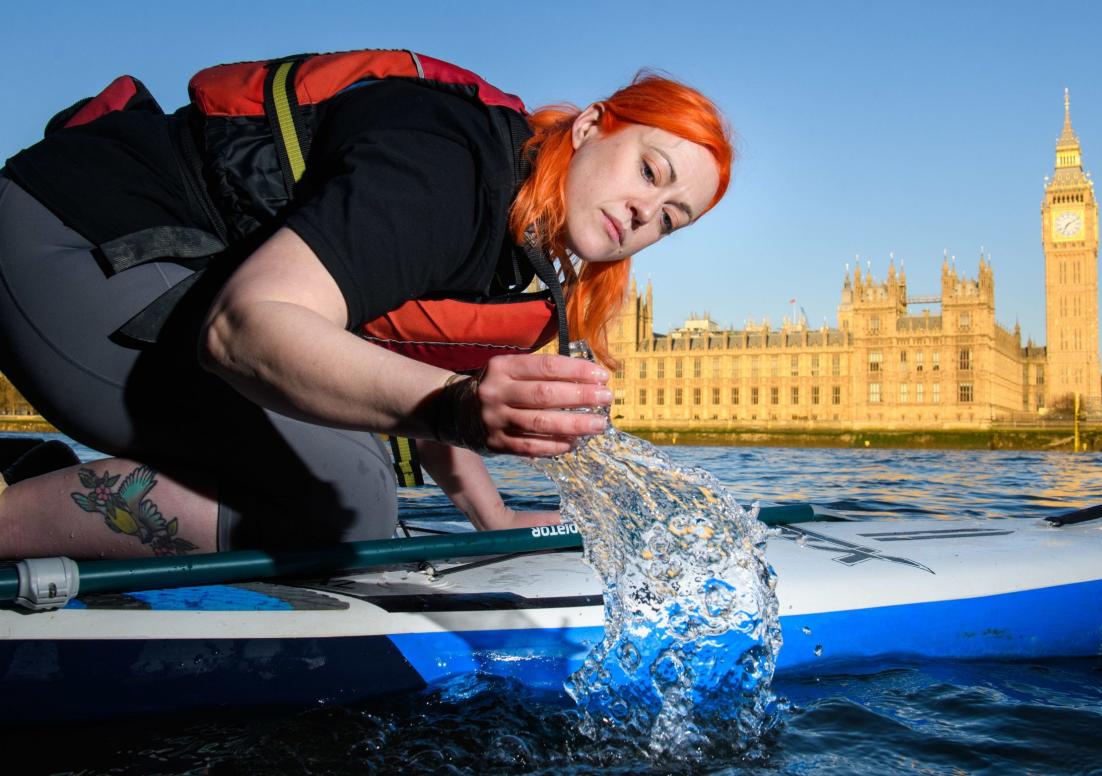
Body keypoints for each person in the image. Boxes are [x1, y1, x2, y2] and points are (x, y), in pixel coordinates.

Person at [0, 50, 732, 560]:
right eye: (649, 171)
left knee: (351, 482)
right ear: (589, 125)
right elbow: (244, 329)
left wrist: (491, 514)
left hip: (170, 271)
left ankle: (32, 478)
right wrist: (456, 405)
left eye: (671, 218)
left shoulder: (516, 244)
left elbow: (391, 365)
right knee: (350, 493)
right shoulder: (449, 167)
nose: (645, 213)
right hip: (77, 233)